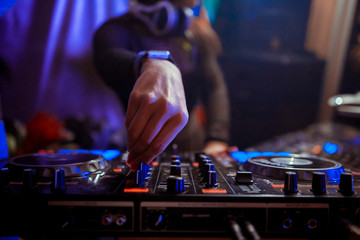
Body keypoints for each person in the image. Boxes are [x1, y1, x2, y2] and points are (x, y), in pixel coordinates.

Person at [93, 0, 230, 171]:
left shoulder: (195, 34)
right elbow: (108, 59)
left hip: (193, 142)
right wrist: (151, 63)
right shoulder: (116, 30)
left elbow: (214, 86)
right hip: (140, 147)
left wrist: (217, 138)